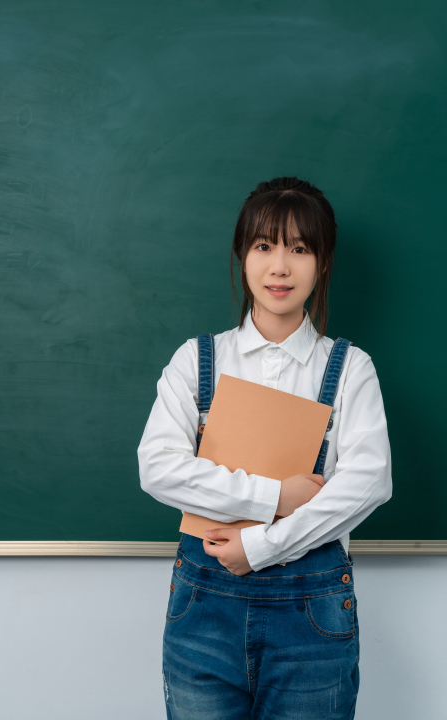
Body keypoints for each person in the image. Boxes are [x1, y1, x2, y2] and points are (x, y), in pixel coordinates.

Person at [137, 176, 392, 719]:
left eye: (300, 249)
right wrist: (275, 496)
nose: (280, 267)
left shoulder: (349, 369)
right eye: (264, 246)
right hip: (204, 609)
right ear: (242, 255)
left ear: (322, 264)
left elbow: (368, 482)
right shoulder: (197, 360)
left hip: (312, 617)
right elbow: (158, 468)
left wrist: (261, 547)